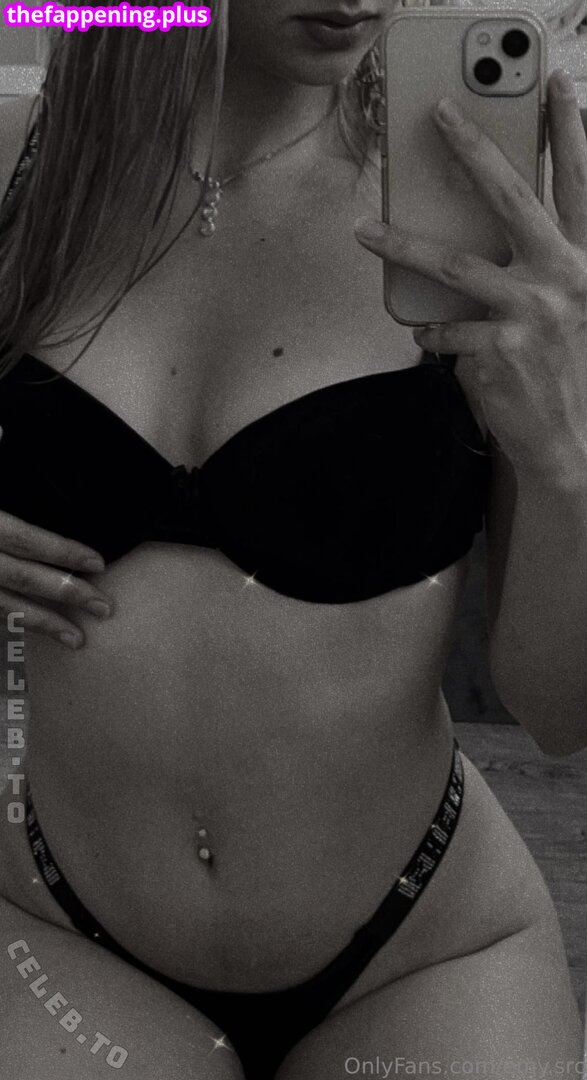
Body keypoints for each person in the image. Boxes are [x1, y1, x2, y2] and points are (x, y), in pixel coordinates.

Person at [0, 1, 586, 1077]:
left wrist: (565, 459)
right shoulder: (20, 174)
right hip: (53, 927)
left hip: (421, 956)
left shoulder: (493, 228)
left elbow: (559, 712)